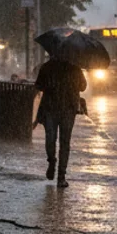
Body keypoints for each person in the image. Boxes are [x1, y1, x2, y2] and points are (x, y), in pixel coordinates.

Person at [34, 56, 87, 188]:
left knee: (54, 139)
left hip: (59, 109)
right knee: (62, 142)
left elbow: (38, 85)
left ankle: (58, 171)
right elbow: (83, 87)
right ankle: (58, 171)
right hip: (61, 109)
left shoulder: (50, 67)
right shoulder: (72, 68)